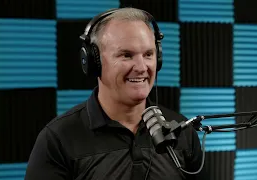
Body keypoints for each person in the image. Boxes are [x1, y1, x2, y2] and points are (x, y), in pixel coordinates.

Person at [24, 7, 205, 180]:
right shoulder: (58, 139)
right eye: (126, 55)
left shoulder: (182, 133)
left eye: (148, 54)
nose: (142, 67)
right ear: (94, 62)